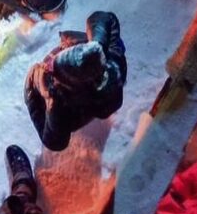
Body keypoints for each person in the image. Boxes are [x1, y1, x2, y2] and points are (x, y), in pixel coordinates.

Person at [24, 12, 127, 151]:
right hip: (91, 66)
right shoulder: (111, 56)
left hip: (52, 98)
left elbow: (54, 142)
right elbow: (104, 18)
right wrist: (98, 43)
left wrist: (50, 100)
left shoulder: (68, 110)